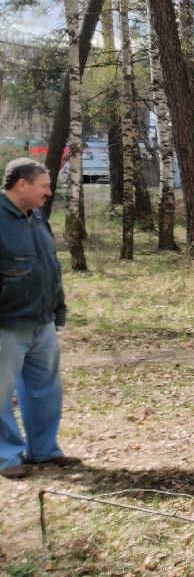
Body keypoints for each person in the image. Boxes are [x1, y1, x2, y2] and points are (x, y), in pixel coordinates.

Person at [0, 159, 80, 479]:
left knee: (45, 389)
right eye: (44, 185)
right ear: (22, 184)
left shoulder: (37, 217)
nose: (49, 191)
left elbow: (50, 266)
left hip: (42, 321)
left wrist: (57, 307)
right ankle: (6, 457)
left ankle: (44, 451)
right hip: (7, 323)